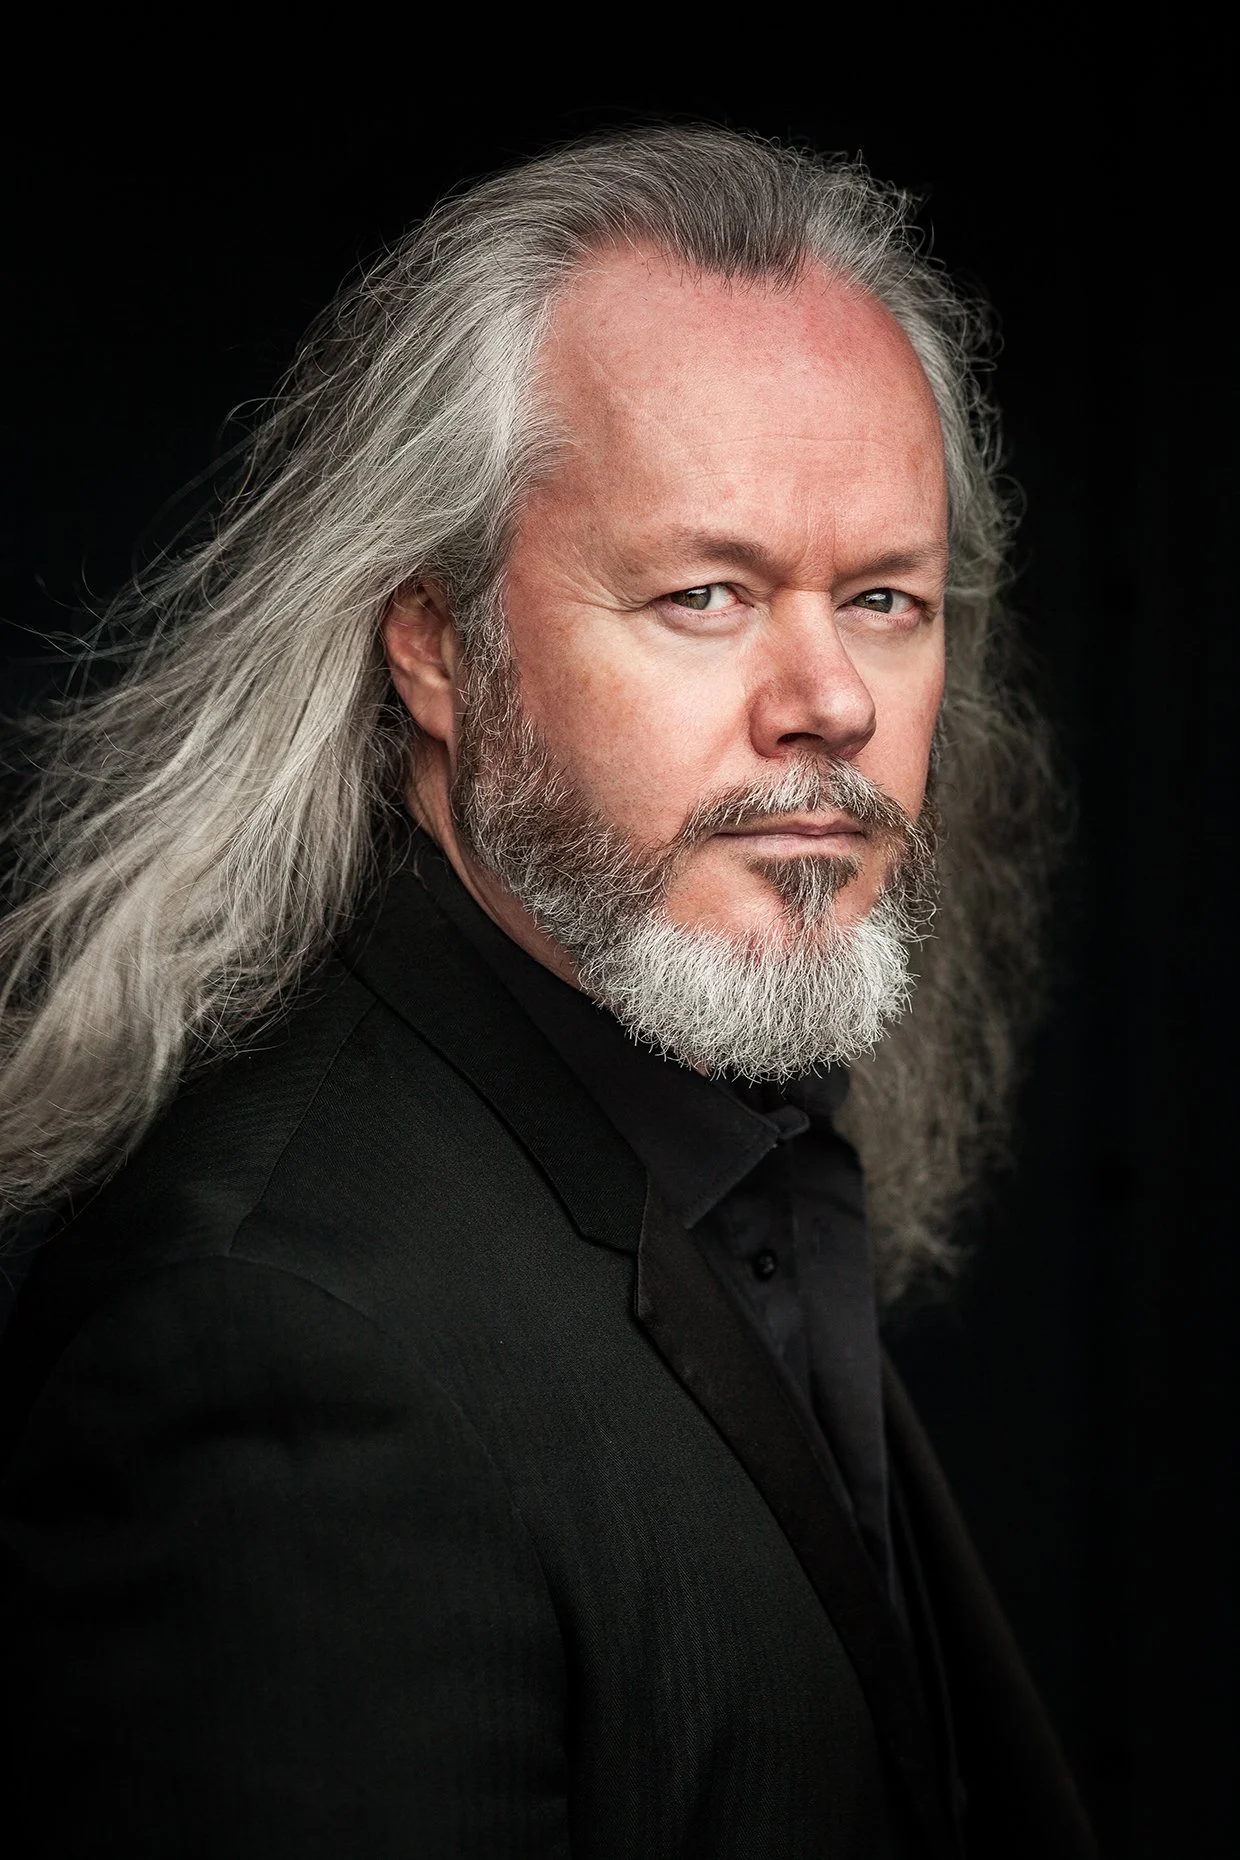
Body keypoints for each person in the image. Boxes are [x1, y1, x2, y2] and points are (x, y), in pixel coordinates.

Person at [0, 128, 1093, 1856]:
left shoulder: (710, 1107)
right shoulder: (269, 1347)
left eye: (884, 598)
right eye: (706, 594)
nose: (831, 703)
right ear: (437, 645)